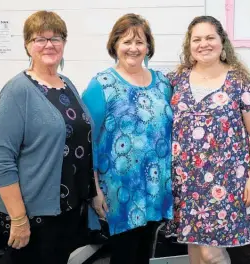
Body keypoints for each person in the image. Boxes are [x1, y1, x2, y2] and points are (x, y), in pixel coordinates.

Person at [0, 10, 96, 264]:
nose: (49, 44)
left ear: (64, 44)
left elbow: (81, 142)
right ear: (27, 45)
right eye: (40, 38)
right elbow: (2, 159)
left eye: (56, 38)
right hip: (35, 214)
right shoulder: (18, 90)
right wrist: (18, 219)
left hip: (68, 207)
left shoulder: (66, 84)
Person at [164, 15, 250, 264]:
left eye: (210, 37)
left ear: (222, 42)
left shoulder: (241, 82)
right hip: (185, 182)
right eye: (197, 39)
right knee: (195, 251)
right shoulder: (174, 82)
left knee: (212, 253)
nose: (204, 44)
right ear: (189, 45)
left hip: (227, 182)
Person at [82, 13, 174, 264]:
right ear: (115, 45)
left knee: (145, 252)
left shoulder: (162, 83)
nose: (133, 48)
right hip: (120, 190)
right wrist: (95, 190)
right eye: (126, 42)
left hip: (155, 187)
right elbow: (86, 141)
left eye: (140, 42)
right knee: (125, 255)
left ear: (148, 47)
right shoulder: (102, 85)